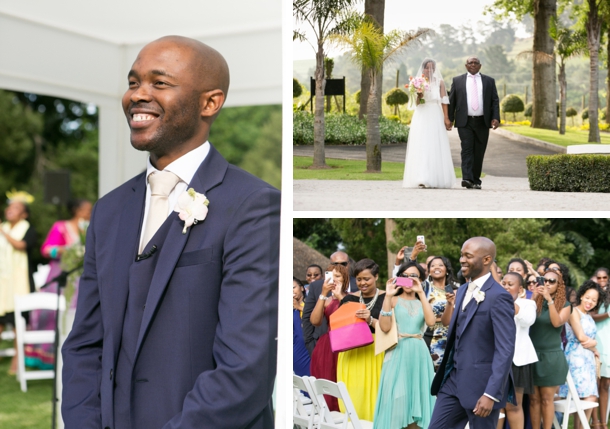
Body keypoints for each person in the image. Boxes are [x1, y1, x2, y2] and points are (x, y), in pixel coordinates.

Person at [61, 36, 280, 429]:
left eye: (159, 83)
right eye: (133, 82)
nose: (137, 95)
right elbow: (85, 344)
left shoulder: (254, 206)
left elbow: (246, 369)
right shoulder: (109, 210)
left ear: (210, 103)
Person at [429, 237, 515, 429]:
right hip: (452, 382)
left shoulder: (499, 296)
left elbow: (505, 350)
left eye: (468, 256)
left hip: (482, 386)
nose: (461, 260)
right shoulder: (461, 291)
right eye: (461, 255)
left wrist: (491, 393)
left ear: (486, 260)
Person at [25, 199, 91, 369]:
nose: (89, 211)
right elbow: (46, 250)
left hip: (83, 275)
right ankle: (48, 357)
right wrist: (68, 250)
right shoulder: (61, 226)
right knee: (53, 313)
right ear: (76, 210)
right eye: (86, 209)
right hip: (62, 274)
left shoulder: (89, 226)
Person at [373, 261, 436, 429]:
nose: (409, 279)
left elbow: (431, 322)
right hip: (398, 352)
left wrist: (421, 293)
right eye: (405, 276)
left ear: (421, 279)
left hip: (419, 354)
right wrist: (387, 296)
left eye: (414, 276)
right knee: (396, 401)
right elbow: (385, 327)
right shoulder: (392, 299)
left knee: (419, 401)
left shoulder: (423, 299)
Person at [337, 258, 385, 421]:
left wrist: (370, 320)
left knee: (375, 393)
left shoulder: (387, 298)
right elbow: (340, 329)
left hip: (376, 352)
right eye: (359, 279)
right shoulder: (348, 299)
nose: (362, 283)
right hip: (351, 354)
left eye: (367, 279)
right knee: (353, 396)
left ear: (376, 277)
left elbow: (392, 329)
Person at [448, 56, 500, 190]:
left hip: (482, 121)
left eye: (475, 63)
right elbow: (452, 101)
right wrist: (449, 119)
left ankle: (476, 181)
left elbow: (494, 100)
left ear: (480, 66)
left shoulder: (489, 81)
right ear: (466, 66)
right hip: (464, 122)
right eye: (470, 63)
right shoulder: (457, 80)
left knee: (479, 151)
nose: (473, 65)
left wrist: (496, 118)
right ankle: (467, 179)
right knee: (467, 150)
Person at [402, 58, 456, 189]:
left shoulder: (440, 83)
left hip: (435, 114)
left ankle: (436, 177)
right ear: (423, 68)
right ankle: (421, 177)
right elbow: (415, 104)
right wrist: (418, 95)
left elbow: (444, 100)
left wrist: (446, 118)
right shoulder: (416, 82)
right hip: (422, 114)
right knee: (421, 144)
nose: (429, 70)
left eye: (432, 68)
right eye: (427, 68)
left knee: (435, 144)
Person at [529, 269, 572, 429]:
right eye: (544, 280)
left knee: (547, 399)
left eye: (551, 281)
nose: (547, 283)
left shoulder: (565, 305)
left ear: (559, 285)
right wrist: (534, 297)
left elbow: (556, 323)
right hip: (532, 356)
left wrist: (549, 300)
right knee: (533, 400)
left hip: (551, 358)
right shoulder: (536, 302)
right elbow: (526, 319)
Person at [0, 191, 37, 375]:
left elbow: (21, 245)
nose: (10, 211)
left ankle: (17, 359)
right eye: (9, 207)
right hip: (2, 282)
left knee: (17, 322)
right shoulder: (4, 226)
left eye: (16, 208)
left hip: (19, 282)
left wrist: (3, 233)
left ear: (24, 214)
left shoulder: (27, 228)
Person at [497, 272, 538, 429]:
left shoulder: (527, 304)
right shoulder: (493, 303)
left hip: (517, 361)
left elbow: (528, 320)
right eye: (504, 283)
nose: (506, 287)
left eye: (510, 284)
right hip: (496, 360)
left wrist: (510, 303)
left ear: (520, 289)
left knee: (513, 405)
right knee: (496, 405)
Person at [558, 280, 601, 429]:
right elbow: (581, 337)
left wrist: (594, 348)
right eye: (588, 297)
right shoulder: (573, 311)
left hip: (587, 360)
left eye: (594, 300)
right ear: (582, 295)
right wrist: (594, 343)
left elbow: (588, 339)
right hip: (576, 358)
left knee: (589, 398)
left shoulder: (588, 316)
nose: (590, 302)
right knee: (580, 398)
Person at [309, 264, 350, 412]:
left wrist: (340, 296)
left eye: (338, 276)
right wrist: (323, 294)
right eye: (331, 276)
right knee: (326, 386)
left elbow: (349, 317)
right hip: (326, 346)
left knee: (342, 385)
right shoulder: (326, 300)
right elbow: (315, 321)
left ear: (345, 279)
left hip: (345, 345)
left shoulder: (352, 297)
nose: (334, 279)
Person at [302, 251, 358, 356]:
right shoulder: (317, 286)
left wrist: (340, 296)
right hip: (324, 344)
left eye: (343, 264)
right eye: (335, 264)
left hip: (351, 344)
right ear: (330, 265)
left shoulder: (359, 285)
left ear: (349, 264)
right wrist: (311, 345)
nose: (339, 267)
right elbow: (308, 318)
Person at [426, 256, 458, 370]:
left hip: (452, 337)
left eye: (440, 265)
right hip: (430, 336)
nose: (436, 268)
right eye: (433, 265)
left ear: (447, 269)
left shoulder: (457, 289)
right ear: (429, 271)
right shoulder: (424, 288)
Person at [591, 273, 610, 428]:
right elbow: (592, 316)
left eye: (605, 277)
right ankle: (595, 421)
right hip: (598, 344)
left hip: (609, 346)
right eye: (600, 277)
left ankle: (604, 422)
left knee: (605, 385)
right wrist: (608, 314)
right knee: (595, 384)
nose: (602, 280)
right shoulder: (599, 297)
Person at [294, 277, 311, 378]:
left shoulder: (309, 303)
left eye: (293, 287)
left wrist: (299, 307)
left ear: (302, 288)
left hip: (305, 347)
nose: (291, 291)